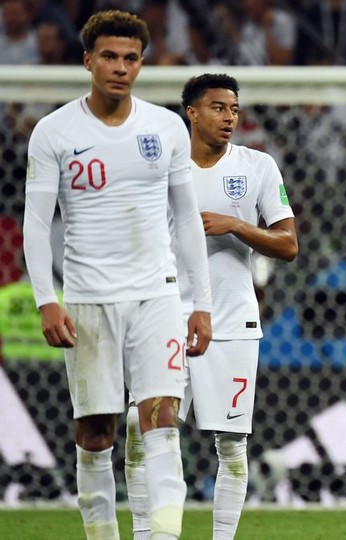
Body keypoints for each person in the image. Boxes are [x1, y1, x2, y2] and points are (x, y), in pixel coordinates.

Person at [21, 10, 212, 540]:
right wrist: (46, 299)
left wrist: (201, 303)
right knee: (96, 432)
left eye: (130, 58)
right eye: (109, 56)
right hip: (86, 299)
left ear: (141, 64)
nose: (120, 67)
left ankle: (165, 536)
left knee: (162, 418)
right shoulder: (54, 131)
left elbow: (187, 218)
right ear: (88, 61)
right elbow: (36, 223)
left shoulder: (166, 127)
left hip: (157, 295)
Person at [124, 73, 299, 539]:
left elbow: (288, 244)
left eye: (234, 109)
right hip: (166, 318)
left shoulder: (258, 166)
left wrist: (235, 225)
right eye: (219, 108)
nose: (229, 118)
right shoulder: (158, 169)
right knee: (144, 429)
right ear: (192, 112)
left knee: (232, 446)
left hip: (233, 323)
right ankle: (150, 534)